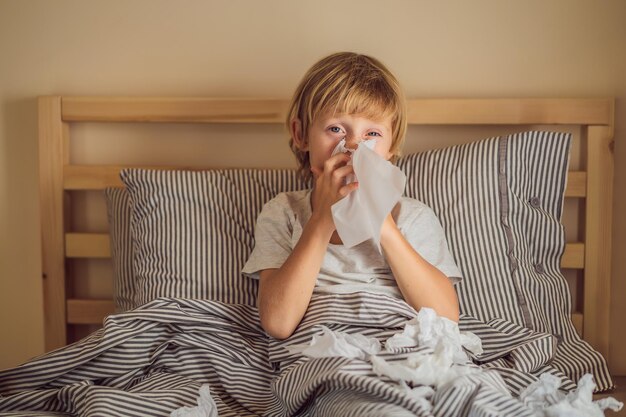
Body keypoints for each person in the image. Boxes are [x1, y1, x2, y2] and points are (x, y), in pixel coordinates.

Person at [242, 52, 461, 339]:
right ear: (301, 135)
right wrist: (321, 219)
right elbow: (279, 324)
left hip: (400, 349)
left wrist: (381, 222)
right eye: (335, 129)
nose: (353, 146)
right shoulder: (284, 212)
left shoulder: (414, 217)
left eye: (372, 134)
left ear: (391, 145)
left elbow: (446, 319)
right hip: (321, 351)